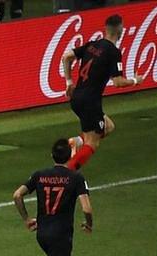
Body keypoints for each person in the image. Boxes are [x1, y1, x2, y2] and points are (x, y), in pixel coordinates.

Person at [62, 15, 144, 171]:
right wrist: (135, 81)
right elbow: (118, 82)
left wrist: (69, 82)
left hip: (77, 97)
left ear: (105, 29)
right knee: (92, 143)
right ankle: (67, 173)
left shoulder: (93, 44)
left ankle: (76, 142)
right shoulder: (113, 52)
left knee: (108, 126)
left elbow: (66, 57)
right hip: (89, 101)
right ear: (120, 30)